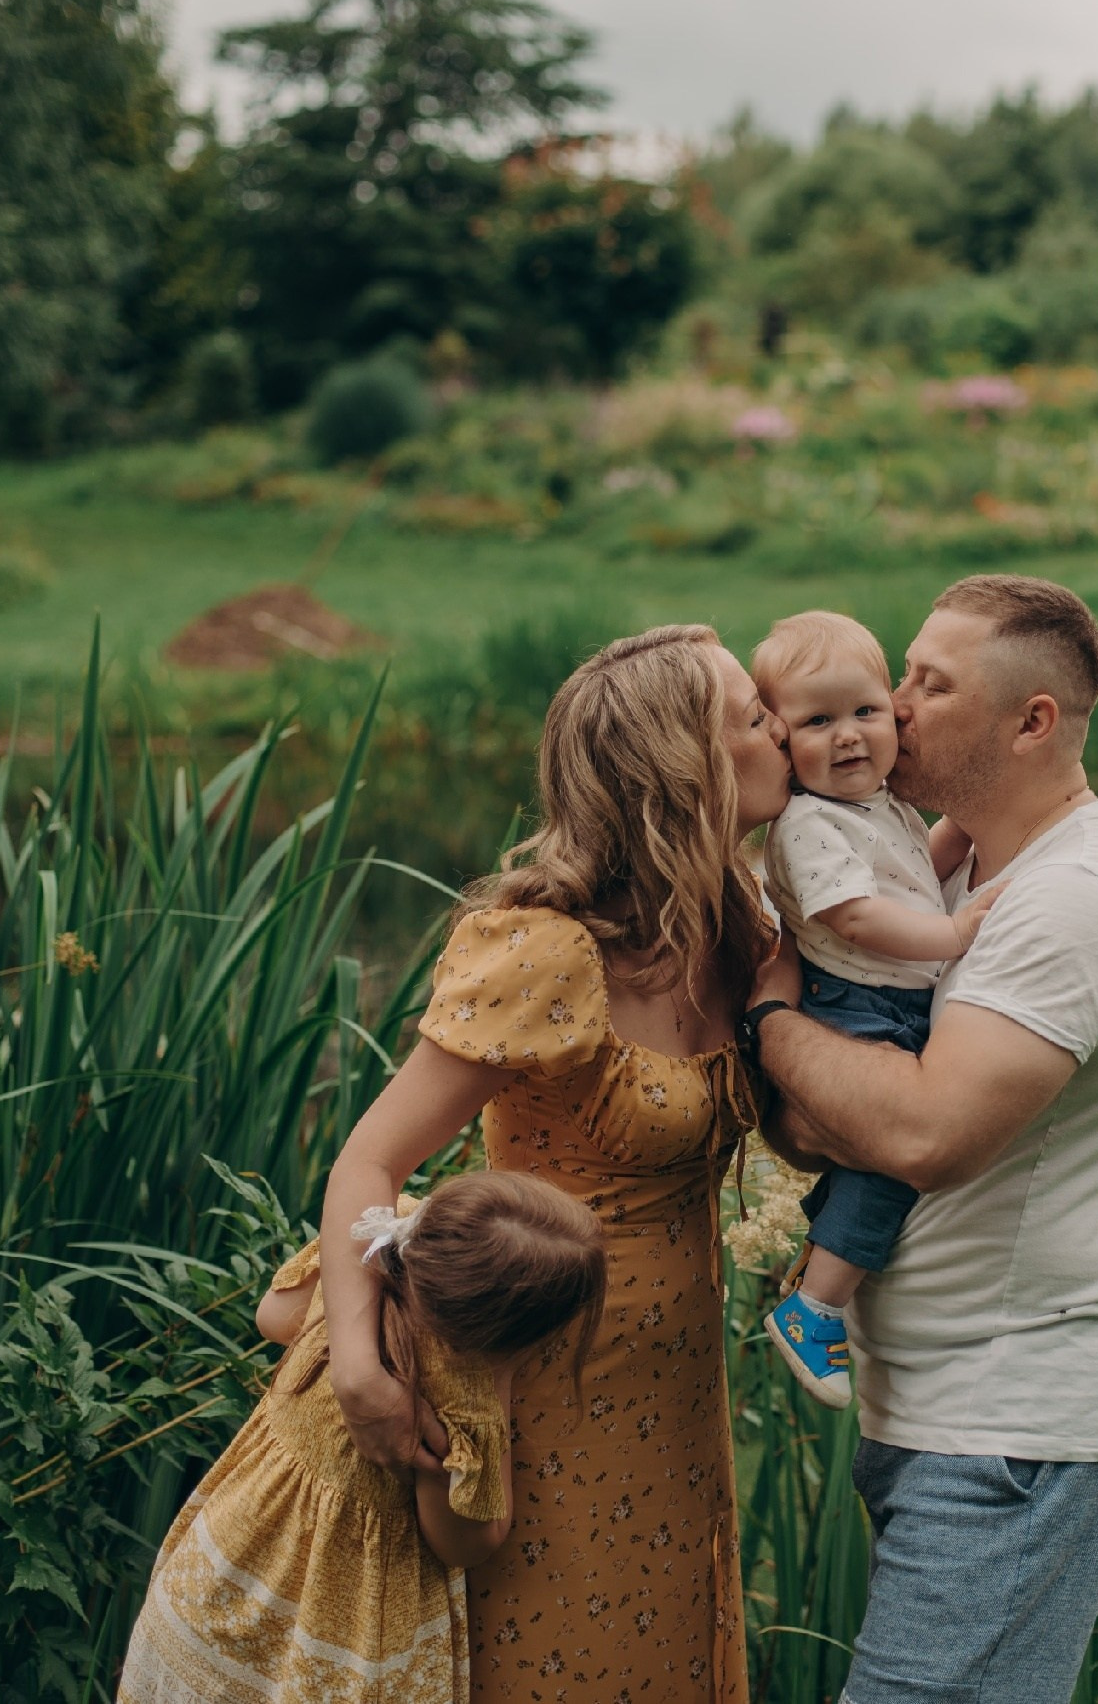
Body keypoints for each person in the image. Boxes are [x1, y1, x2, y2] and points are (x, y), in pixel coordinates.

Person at [314, 625, 790, 1704]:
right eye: (751, 716)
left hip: (676, 1396)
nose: (781, 732)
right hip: (537, 1386)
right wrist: (358, 1364)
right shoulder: (548, 950)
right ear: (684, 765)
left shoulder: (737, 923)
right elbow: (367, 1162)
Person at [745, 575, 1098, 1704]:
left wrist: (770, 1019)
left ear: (1030, 722)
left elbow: (919, 1134)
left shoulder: (1075, 898)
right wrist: (822, 1079)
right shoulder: (958, 863)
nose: (893, 704)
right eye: (902, 672)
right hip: (941, 1408)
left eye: (929, 685)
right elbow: (817, 1129)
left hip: (1014, 1423)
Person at [119, 1172, 608, 1704]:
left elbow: (272, 1316)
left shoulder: (370, 1247)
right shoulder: (462, 1396)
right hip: (328, 1648)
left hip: (215, 1580)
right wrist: (499, 1381)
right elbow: (467, 1542)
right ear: (514, 1335)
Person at [748, 610, 996, 1408]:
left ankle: (817, 1267)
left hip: (887, 996)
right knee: (887, 1161)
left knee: (871, 1157)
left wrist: (977, 816)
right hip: (857, 1003)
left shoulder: (876, 805)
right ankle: (814, 1308)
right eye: (818, 722)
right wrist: (952, 934)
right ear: (783, 740)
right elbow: (855, 916)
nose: (849, 735)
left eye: (865, 711)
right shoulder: (809, 822)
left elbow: (916, 867)